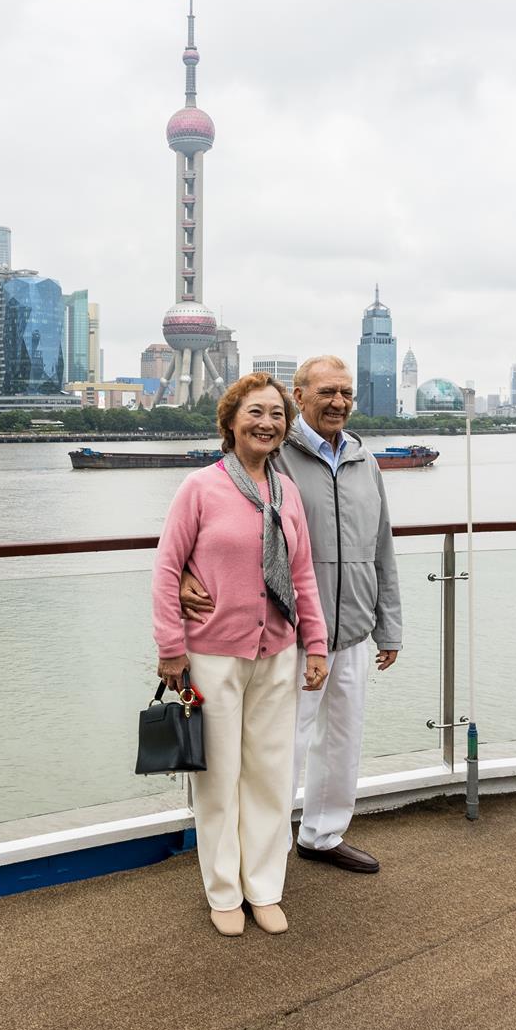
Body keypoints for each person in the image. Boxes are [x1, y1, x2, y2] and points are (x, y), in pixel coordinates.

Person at [182, 354, 402, 874]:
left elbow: (382, 547)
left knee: (343, 740)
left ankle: (323, 835)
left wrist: (388, 623)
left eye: (346, 392)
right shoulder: (274, 453)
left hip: (351, 630)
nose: (339, 402)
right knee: (282, 748)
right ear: (297, 397)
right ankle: (268, 847)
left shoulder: (364, 462)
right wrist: (191, 570)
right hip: (290, 631)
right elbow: (214, 517)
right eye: (327, 392)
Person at [152, 373, 329, 937]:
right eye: (256, 412)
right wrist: (171, 648)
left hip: (277, 651)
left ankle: (265, 887)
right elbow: (165, 568)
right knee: (219, 779)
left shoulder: (287, 493)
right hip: (213, 655)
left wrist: (316, 644)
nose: (268, 423)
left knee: (272, 776)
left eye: (277, 414)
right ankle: (224, 890)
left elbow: (301, 574)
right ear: (230, 422)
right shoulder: (200, 488)